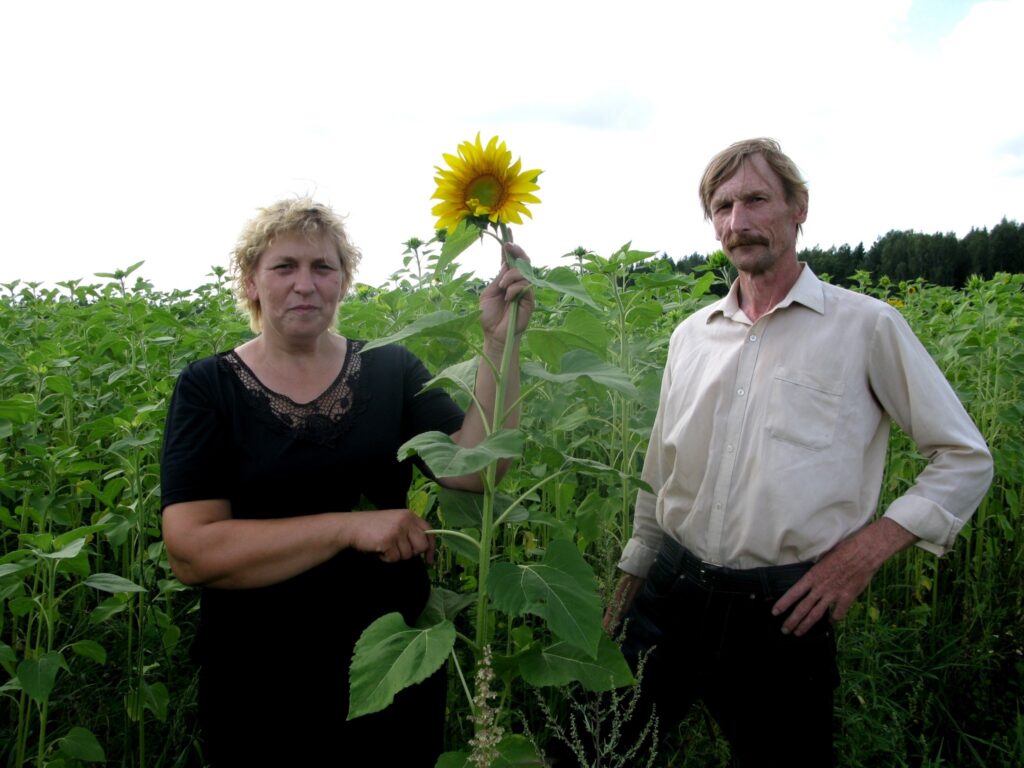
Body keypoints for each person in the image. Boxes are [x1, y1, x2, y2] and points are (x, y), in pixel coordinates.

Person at [604, 138, 993, 767]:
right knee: (597, 749)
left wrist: (863, 554)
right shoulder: (691, 336)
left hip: (783, 611)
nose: (738, 221)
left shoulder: (865, 327)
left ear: (799, 208)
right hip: (670, 591)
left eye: (757, 199)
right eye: (722, 206)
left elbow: (964, 456)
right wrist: (634, 569)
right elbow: (662, 467)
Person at [160, 198, 533, 767]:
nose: (304, 284)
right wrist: (348, 528)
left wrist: (501, 345)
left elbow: (477, 467)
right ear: (252, 282)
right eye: (284, 267)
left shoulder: (389, 369)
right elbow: (192, 550)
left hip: (390, 666)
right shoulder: (210, 388)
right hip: (260, 680)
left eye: (322, 267)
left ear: (343, 281)